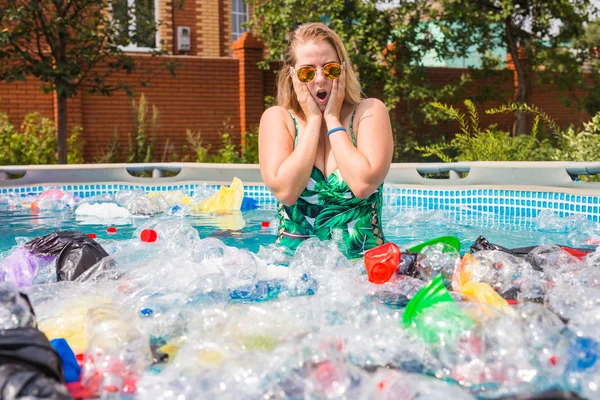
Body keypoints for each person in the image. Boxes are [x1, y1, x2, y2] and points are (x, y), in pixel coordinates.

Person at [258, 22, 394, 258]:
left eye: (329, 69)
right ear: (292, 75)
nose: (320, 79)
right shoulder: (278, 119)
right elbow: (286, 192)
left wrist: (331, 119)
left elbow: (362, 185)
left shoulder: (370, 112)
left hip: (366, 270)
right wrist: (313, 122)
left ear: (343, 69)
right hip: (290, 272)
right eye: (307, 72)